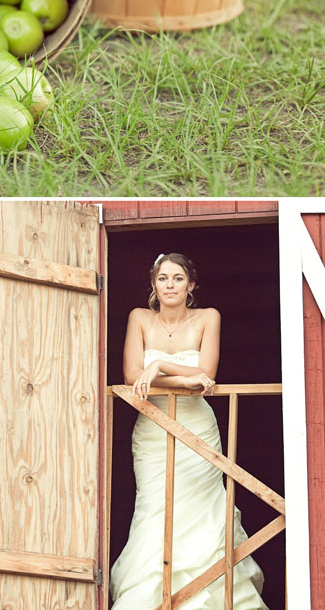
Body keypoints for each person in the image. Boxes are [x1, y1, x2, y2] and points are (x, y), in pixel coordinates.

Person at [110, 252, 268, 609]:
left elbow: (206, 375)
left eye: (178, 278)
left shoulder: (208, 318)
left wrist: (160, 366)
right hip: (153, 428)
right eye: (163, 278)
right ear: (153, 284)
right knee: (155, 507)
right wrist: (179, 375)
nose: (170, 285)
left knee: (202, 510)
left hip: (197, 427)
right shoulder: (139, 318)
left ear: (191, 285)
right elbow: (132, 376)